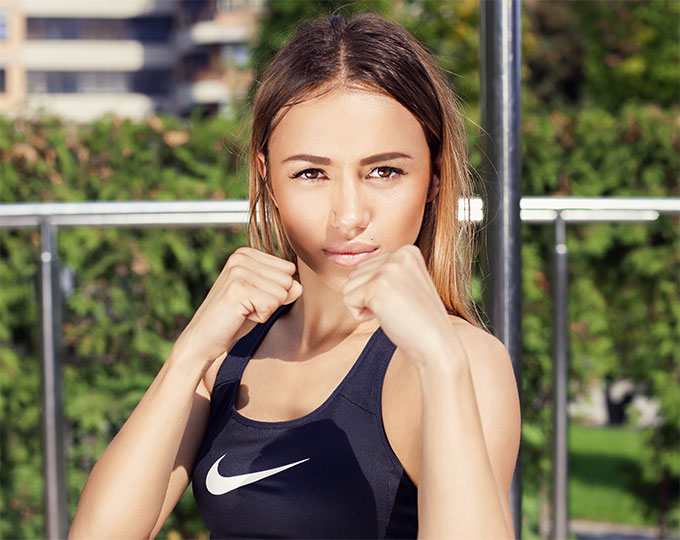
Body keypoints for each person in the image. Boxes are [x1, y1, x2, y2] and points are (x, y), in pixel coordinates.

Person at [69, 12, 521, 540]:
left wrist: (439, 361)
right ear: (267, 176)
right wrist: (189, 353)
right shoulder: (230, 357)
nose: (349, 214)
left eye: (384, 171)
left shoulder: (459, 360)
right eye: (311, 173)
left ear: (434, 177)